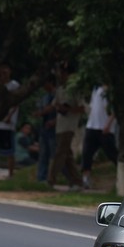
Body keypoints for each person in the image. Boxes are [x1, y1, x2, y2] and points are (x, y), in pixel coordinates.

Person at [48, 61, 85, 189]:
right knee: (67, 156)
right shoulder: (60, 89)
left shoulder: (74, 90)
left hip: (69, 126)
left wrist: (68, 110)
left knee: (60, 153)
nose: (62, 75)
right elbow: (54, 105)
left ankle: (51, 179)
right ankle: (77, 181)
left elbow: (82, 108)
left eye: (64, 73)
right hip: (60, 126)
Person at [80, 83, 118, 189]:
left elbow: (115, 109)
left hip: (105, 127)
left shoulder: (110, 91)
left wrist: (109, 124)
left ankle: (123, 175)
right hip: (92, 125)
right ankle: (85, 178)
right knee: (87, 153)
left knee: (112, 153)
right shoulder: (95, 89)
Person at [34, 74, 57, 182]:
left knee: (55, 154)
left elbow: (52, 108)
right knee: (43, 154)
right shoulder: (44, 97)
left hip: (54, 129)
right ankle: (41, 177)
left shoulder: (57, 95)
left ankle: (52, 177)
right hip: (44, 127)